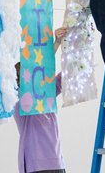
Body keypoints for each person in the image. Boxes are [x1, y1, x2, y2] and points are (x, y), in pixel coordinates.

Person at [14, 27, 68, 173]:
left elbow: (66, 73)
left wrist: (71, 42)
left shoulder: (45, 94)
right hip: (35, 166)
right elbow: (40, 70)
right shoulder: (18, 101)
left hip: (57, 163)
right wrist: (55, 44)